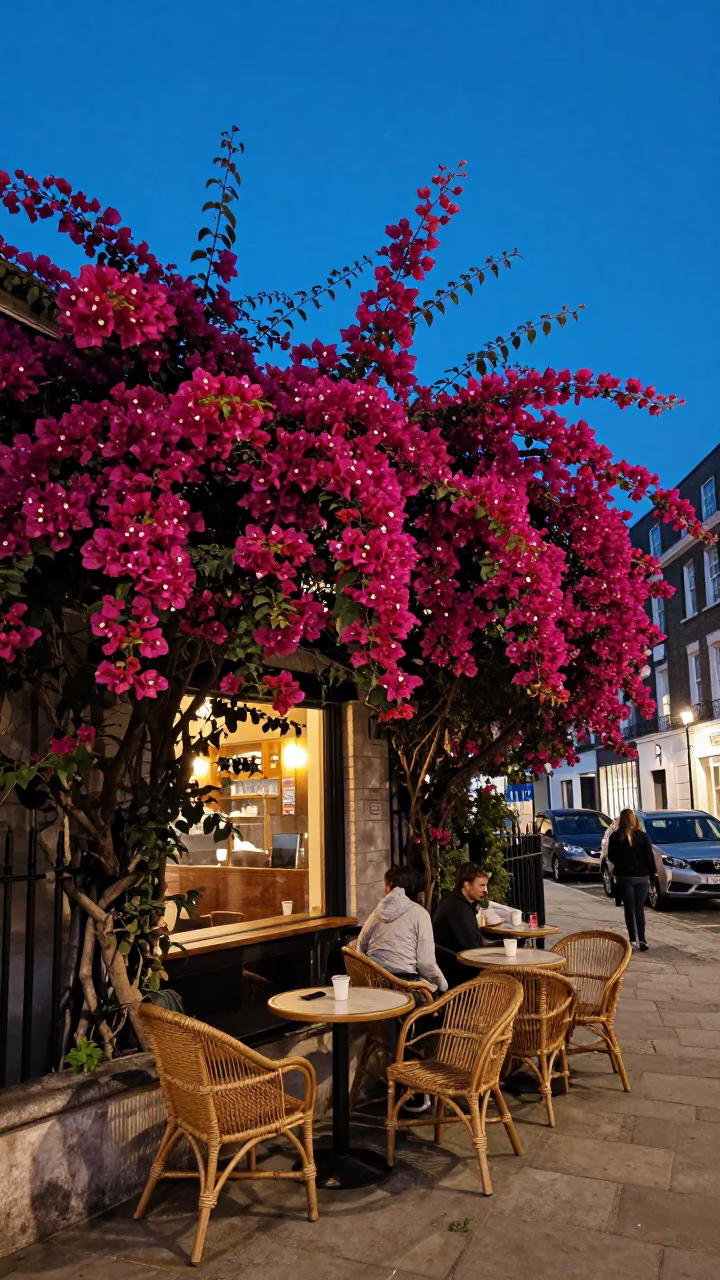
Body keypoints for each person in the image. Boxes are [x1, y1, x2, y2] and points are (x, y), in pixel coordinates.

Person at [357, 865, 448, 992]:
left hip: (375, 987)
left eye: (386, 886)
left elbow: (360, 948)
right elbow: (425, 964)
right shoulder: (420, 914)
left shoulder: (376, 913)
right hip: (406, 990)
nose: (385, 890)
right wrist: (443, 984)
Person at [607, 809, 656, 951]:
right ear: (634, 820)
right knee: (639, 908)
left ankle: (632, 939)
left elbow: (611, 857)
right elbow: (649, 857)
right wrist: (652, 876)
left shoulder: (615, 837)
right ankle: (643, 939)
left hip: (625, 877)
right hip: (642, 876)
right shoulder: (643, 836)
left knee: (629, 908)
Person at [432, 861, 489, 954]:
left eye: (486, 885)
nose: (486, 890)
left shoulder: (457, 902)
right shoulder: (458, 908)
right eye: (482, 885)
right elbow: (473, 947)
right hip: (458, 964)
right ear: (467, 885)